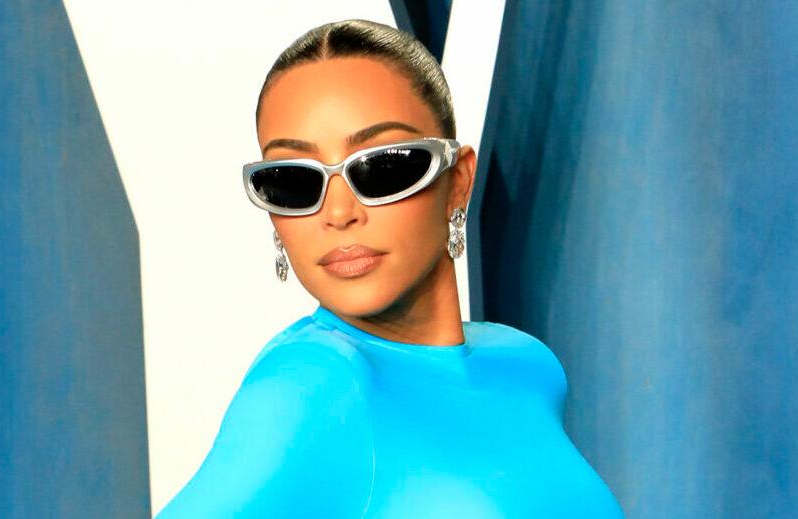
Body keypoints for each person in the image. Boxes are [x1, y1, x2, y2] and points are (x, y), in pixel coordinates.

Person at [158, 19, 624, 518]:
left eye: (382, 167)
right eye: (292, 181)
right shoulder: (310, 385)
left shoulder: (527, 366)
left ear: (458, 181)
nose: (339, 213)